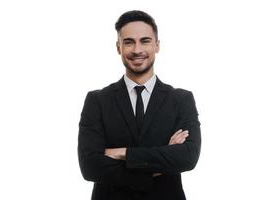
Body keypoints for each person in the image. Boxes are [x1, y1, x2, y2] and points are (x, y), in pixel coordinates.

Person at [78, 10, 201, 200]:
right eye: (128, 42)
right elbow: (90, 166)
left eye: (145, 41)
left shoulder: (181, 99)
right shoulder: (97, 100)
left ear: (157, 45)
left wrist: (122, 153)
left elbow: (188, 157)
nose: (137, 50)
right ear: (118, 47)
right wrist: (161, 161)